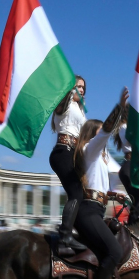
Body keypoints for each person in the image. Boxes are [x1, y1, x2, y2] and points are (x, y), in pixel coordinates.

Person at [73, 89, 132, 279]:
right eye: (100, 134)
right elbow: (106, 131)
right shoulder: (90, 149)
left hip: (95, 209)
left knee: (111, 251)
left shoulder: (99, 158)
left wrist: (116, 197)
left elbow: (102, 185)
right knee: (115, 251)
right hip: (88, 212)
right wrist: (119, 109)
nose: (104, 138)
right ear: (92, 135)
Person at [49, 76, 88, 251]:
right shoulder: (64, 104)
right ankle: (64, 238)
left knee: (81, 195)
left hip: (72, 153)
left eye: (83, 88)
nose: (81, 90)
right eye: (78, 86)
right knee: (76, 194)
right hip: (63, 151)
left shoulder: (80, 110)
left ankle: (77, 233)